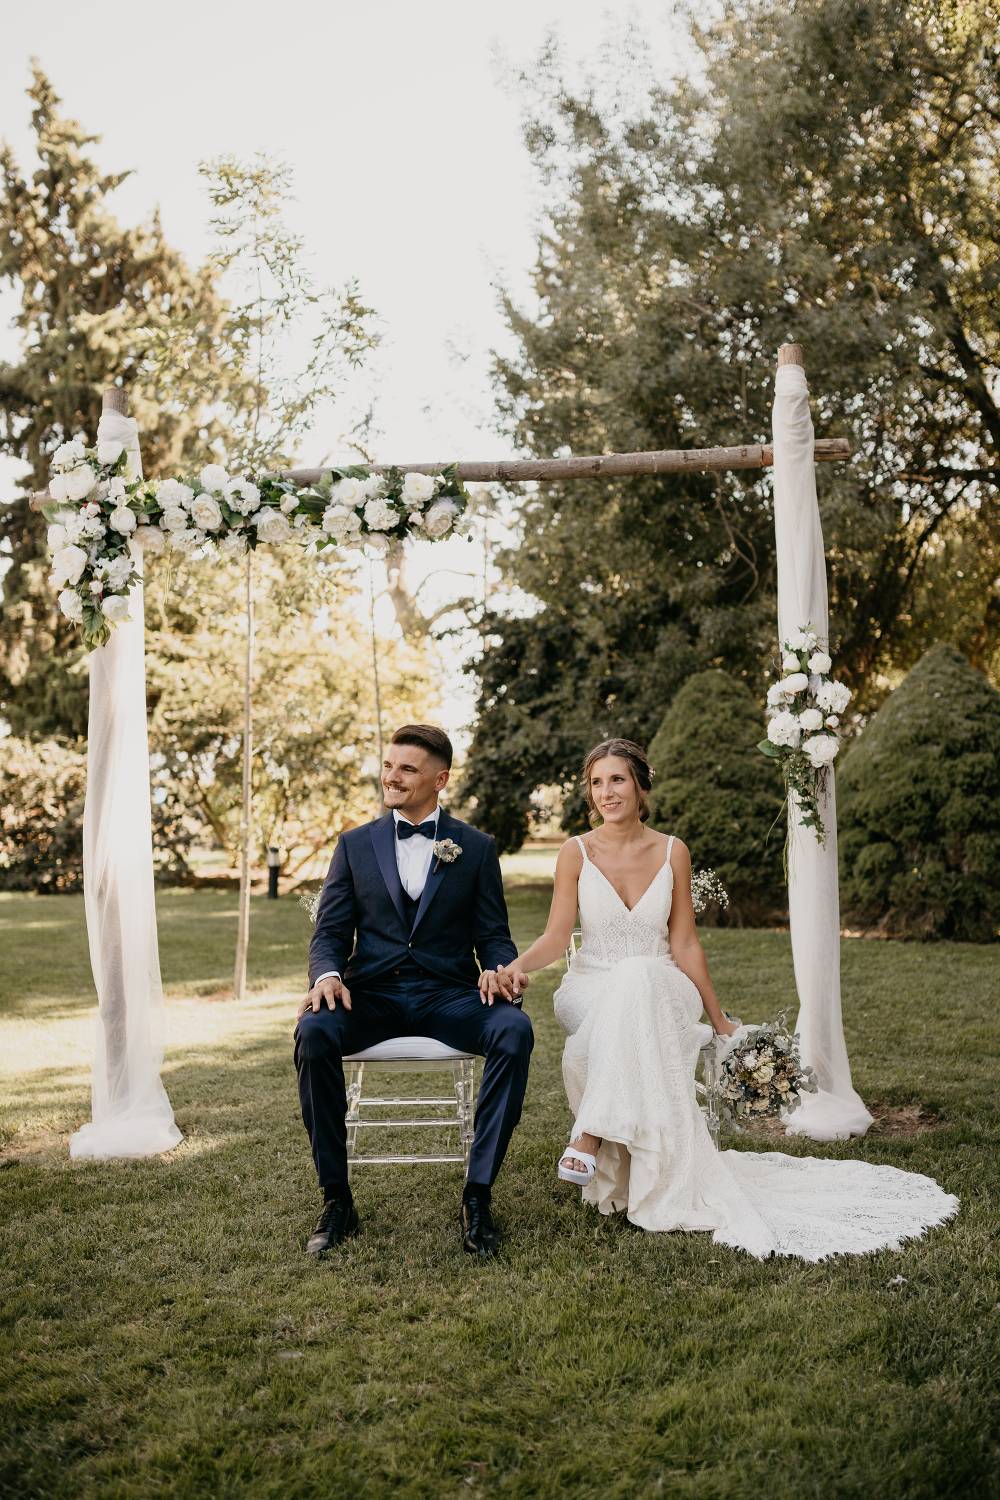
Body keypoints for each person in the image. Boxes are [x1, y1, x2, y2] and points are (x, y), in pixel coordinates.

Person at [498, 738, 958, 1259]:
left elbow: (684, 943)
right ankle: (601, 1135)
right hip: (591, 987)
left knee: (645, 973)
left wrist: (719, 1019)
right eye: (598, 782)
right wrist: (515, 967)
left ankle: (591, 1133)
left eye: (618, 779)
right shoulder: (574, 852)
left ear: (640, 785)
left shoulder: (673, 851)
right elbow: (558, 938)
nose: (608, 792)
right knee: (632, 976)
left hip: (662, 985)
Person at [294, 724, 532, 1258]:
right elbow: (330, 931)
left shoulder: (475, 847)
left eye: (407, 769)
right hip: (369, 995)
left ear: (439, 779)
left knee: (513, 1030)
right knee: (314, 1031)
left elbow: (492, 932)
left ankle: (478, 1195)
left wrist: (499, 967)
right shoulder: (354, 845)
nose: (392, 777)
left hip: (448, 995)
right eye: (388, 765)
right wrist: (327, 975)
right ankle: (336, 1198)